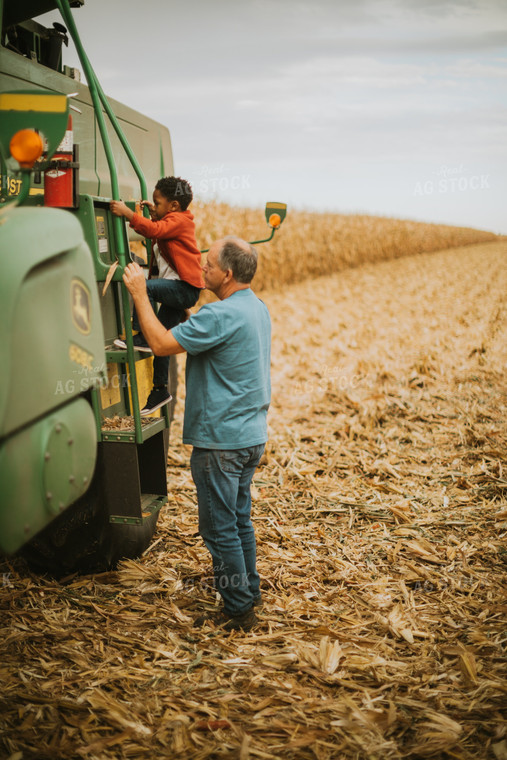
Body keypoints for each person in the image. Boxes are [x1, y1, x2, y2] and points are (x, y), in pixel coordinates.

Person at [122, 237, 271, 632]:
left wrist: (139, 291)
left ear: (228, 273)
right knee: (239, 521)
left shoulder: (217, 316)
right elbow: (203, 335)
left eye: (208, 265)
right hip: (251, 436)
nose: (200, 270)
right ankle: (248, 592)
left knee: (218, 528)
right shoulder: (256, 308)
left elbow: (158, 343)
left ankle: (238, 610)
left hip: (220, 443)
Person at [110, 176, 204, 415]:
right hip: (179, 289)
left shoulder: (180, 221)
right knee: (161, 341)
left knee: (145, 286)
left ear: (173, 206)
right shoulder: (172, 219)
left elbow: (155, 230)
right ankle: (160, 389)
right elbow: (158, 232)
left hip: (184, 288)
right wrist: (154, 214)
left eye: (157, 202)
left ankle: (140, 335)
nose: (154, 205)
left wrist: (128, 214)